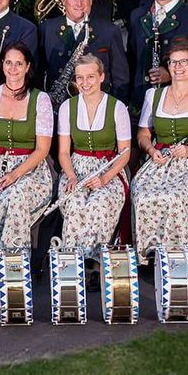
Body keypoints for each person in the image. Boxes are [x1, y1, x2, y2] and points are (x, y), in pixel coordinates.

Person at [131, 38, 188, 265]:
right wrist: (151, 149)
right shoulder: (153, 96)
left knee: (176, 197)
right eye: (173, 63)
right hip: (160, 160)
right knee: (142, 193)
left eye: (184, 62)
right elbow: (143, 133)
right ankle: (151, 253)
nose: (178, 67)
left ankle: (180, 257)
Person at [0, 43, 54, 268]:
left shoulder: (40, 99)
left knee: (14, 198)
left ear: (27, 67)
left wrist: (15, 175)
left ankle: (12, 265)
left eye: (19, 63)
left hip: (30, 169)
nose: (13, 69)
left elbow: (42, 149)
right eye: (8, 63)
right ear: (1, 65)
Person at [55, 53, 132, 252]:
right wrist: (71, 177)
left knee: (99, 203)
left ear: (101, 77)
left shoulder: (117, 108)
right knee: (74, 203)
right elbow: (63, 152)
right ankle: (73, 260)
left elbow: (124, 153)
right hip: (76, 167)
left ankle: (97, 261)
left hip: (108, 169)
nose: (85, 83)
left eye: (90, 77)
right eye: (80, 78)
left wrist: (105, 178)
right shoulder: (67, 107)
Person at [39, 0, 129, 103]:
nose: (79, 4)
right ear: (64, 1)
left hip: (98, 106)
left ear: (91, 0)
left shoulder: (109, 30)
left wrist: (116, 109)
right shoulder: (47, 28)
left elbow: (120, 78)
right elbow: (37, 72)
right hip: (57, 105)